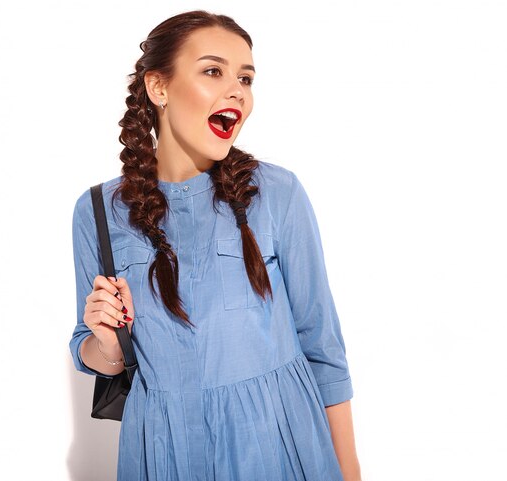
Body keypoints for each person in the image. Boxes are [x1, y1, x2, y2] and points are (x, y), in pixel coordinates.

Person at [70, 10, 362, 481]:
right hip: (164, 450)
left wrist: (349, 473)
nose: (237, 92)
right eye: (213, 71)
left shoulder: (277, 193)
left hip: (275, 443)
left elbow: (323, 350)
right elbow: (90, 350)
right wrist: (108, 344)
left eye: (246, 78)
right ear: (158, 88)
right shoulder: (98, 211)